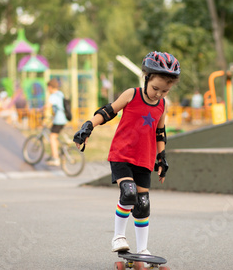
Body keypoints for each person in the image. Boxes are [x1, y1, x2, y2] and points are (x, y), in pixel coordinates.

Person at [73, 51, 181, 255]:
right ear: (146, 77)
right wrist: (88, 126)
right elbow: (109, 111)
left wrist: (162, 158)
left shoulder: (162, 105)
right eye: (155, 88)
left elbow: (160, 132)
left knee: (143, 204)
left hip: (144, 159)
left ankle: (142, 249)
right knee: (129, 193)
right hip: (122, 155)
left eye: (165, 91)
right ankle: (118, 237)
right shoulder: (132, 94)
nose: (158, 94)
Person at [45, 78, 68, 166]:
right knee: (55, 136)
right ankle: (57, 152)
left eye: (48, 88)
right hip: (63, 119)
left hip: (58, 120)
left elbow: (48, 105)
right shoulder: (60, 93)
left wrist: (40, 110)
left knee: (52, 137)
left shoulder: (53, 96)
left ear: (50, 87)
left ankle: (55, 158)